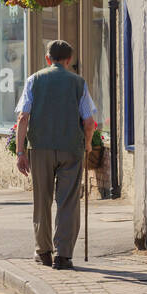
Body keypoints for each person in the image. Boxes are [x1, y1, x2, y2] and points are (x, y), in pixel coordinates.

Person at [14, 40, 97, 271]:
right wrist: (87, 144)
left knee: (42, 200)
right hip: (71, 148)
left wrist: (20, 152)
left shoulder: (34, 80)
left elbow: (23, 117)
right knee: (68, 201)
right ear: (69, 60)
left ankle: (43, 251)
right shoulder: (78, 83)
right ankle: (63, 255)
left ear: (47, 58)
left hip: (40, 148)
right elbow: (89, 122)